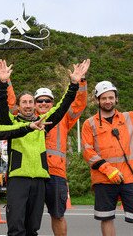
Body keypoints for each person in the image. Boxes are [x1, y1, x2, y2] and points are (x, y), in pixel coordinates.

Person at [0, 59, 89, 236]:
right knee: (16, 227)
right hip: (18, 179)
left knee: (33, 228)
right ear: (19, 107)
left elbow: (62, 107)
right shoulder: (12, 123)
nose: (28, 105)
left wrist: (74, 84)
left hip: (39, 181)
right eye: (25, 102)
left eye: (30, 102)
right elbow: (1, 108)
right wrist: (3, 83)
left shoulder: (43, 124)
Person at [34, 59, 89, 236]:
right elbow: (10, 106)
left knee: (57, 215)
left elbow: (78, 105)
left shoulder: (64, 117)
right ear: (34, 103)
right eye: (40, 101)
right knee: (28, 215)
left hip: (56, 174)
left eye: (47, 101)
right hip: (32, 172)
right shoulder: (27, 119)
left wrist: (80, 82)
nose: (43, 103)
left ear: (52, 102)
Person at [81, 80, 133, 236]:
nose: (107, 101)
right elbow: (88, 152)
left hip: (132, 178)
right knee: (106, 218)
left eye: (110, 97)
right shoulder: (89, 124)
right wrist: (108, 170)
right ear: (97, 100)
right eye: (103, 98)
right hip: (104, 179)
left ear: (116, 99)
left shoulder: (131, 117)